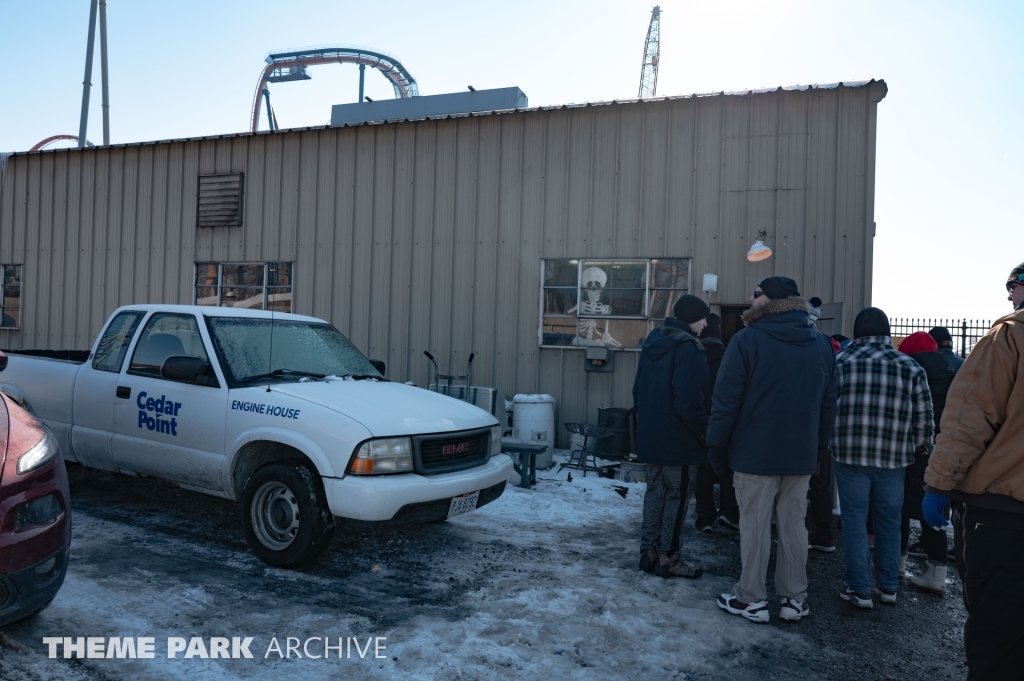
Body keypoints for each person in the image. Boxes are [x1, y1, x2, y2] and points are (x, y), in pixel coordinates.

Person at [708, 277, 837, 623]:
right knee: (794, 525)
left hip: (754, 453)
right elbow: (828, 405)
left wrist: (716, 444)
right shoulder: (821, 344)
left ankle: (750, 597)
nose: (750, 299)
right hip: (800, 454)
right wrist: (819, 448)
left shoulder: (746, 340)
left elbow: (725, 402)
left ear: (772, 300)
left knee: (755, 524)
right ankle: (794, 598)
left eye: (756, 293)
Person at [923, 261, 1024, 680]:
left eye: (1013, 285)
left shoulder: (1011, 335)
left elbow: (970, 417)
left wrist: (938, 484)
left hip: (1004, 515)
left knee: (999, 646)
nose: (1009, 295)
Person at [831, 308, 934, 609]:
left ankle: (859, 588)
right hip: (894, 457)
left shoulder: (840, 362)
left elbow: (827, 407)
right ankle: (888, 586)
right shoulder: (909, 366)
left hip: (849, 453)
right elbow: (924, 416)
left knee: (854, 520)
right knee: (890, 521)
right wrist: (922, 447)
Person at [633, 294, 711, 579]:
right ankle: (669, 557)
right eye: (703, 318)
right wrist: (704, 432)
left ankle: (649, 552)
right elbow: (690, 400)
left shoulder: (654, 340)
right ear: (692, 317)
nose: (705, 324)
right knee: (677, 500)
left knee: (655, 494)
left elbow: (638, 391)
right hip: (680, 441)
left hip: (653, 436)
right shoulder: (688, 347)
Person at [895, 332, 958, 593]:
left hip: (908, 449)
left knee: (898, 508)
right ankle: (936, 573)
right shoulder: (954, 374)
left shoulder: (905, 372)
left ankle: (897, 564)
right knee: (933, 512)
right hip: (942, 450)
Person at [694, 314, 739, 532]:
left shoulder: (695, 356)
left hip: (701, 420)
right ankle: (728, 514)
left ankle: (704, 517)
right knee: (727, 470)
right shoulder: (729, 358)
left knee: (703, 470)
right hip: (724, 421)